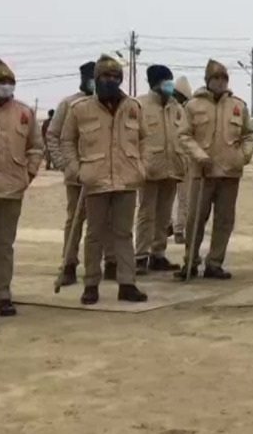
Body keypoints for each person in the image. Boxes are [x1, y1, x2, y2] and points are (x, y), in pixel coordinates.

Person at [61, 55, 147, 305]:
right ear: (96, 79)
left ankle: (127, 283)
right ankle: (90, 284)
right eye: (105, 77)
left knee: (123, 234)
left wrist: (141, 166)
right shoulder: (80, 109)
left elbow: (145, 140)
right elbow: (67, 141)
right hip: (95, 181)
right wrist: (76, 170)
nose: (110, 81)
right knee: (94, 235)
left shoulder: (133, 108)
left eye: (115, 77)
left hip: (126, 180)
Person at [0, 57, 43, 318]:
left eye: (9, 82)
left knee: (4, 245)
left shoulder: (24, 113)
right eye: (0, 82)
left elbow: (36, 146)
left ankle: (3, 296)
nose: (5, 86)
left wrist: (29, 173)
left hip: (11, 189)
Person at [176, 60, 253, 280]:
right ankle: (190, 261)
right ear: (207, 80)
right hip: (203, 173)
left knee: (224, 221)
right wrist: (199, 155)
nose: (220, 82)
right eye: (216, 78)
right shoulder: (193, 106)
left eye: (224, 78)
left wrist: (244, 156)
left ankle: (215, 262)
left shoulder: (237, 106)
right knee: (195, 220)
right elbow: (184, 135)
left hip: (230, 172)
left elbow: (249, 134)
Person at [46, 61, 111, 285]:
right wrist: (66, 165)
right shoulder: (69, 104)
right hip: (76, 176)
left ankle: (109, 262)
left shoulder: (108, 103)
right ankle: (69, 264)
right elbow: (54, 136)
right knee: (75, 220)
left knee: (105, 221)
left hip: (102, 174)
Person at [135, 65, 186, 275]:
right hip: (149, 169)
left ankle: (158, 254)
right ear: (154, 83)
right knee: (147, 214)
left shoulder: (176, 107)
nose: (169, 85)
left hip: (172, 167)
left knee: (164, 216)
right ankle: (140, 256)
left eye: (170, 80)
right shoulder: (139, 106)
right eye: (166, 81)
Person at [172, 77, 192, 245]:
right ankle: (177, 229)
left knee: (181, 198)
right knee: (181, 198)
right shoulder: (177, 110)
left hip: (182, 159)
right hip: (177, 159)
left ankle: (175, 227)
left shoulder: (182, 111)